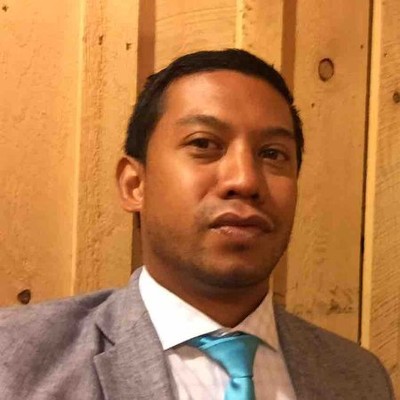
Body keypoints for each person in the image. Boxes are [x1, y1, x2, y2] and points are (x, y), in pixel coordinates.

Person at [0, 49, 394, 400]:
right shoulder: (15, 360)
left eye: (273, 153)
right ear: (135, 185)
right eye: (204, 144)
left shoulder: (359, 379)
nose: (245, 180)